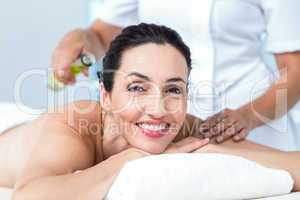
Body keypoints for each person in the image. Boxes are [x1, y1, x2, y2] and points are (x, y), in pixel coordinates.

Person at [0, 24, 299, 199]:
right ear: (105, 96)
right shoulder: (72, 125)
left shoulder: (183, 128)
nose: (158, 110)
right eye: (137, 88)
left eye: (173, 90)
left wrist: (212, 152)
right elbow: (29, 196)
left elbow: (288, 163)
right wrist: (131, 158)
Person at [51, 0, 300, 150]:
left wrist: (247, 117)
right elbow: (102, 35)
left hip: (249, 120)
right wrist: (81, 39)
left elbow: (295, 71)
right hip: (162, 124)